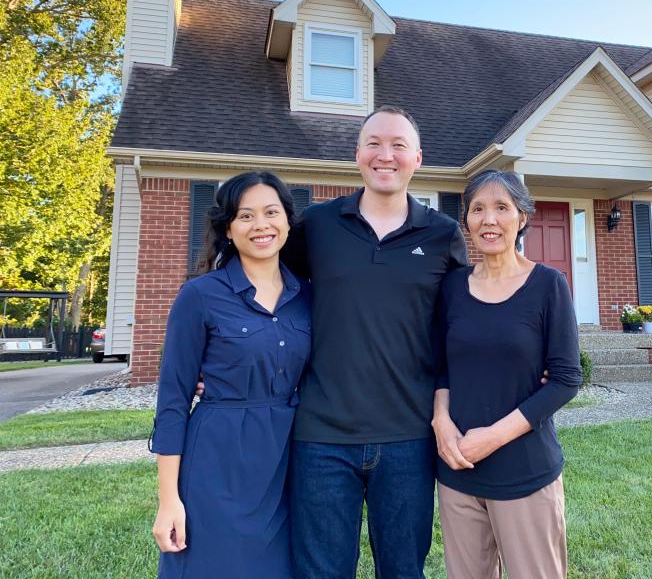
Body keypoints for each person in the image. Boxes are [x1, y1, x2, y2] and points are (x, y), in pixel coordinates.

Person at [289, 106, 469, 578]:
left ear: (417, 158)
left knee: (404, 571)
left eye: (398, 145)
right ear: (357, 154)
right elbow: (264, 291)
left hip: (409, 436)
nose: (384, 155)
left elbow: (463, 325)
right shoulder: (318, 225)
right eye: (373, 143)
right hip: (321, 438)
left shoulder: (443, 234)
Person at [150, 171, 311, 579]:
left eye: (272, 213)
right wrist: (168, 500)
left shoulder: (308, 296)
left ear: (288, 222)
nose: (261, 225)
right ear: (228, 229)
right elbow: (172, 402)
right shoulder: (200, 296)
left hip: (288, 460)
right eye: (246, 216)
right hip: (217, 460)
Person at [432, 169, 581, 579]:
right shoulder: (452, 287)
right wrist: (441, 423)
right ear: (466, 221)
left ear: (523, 217)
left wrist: (492, 437)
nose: (489, 219)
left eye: (502, 208)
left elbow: (567, 378)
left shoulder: (549, 285)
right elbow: (441, 366)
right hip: (457, 470)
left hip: (525, 472)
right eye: (477, 209)